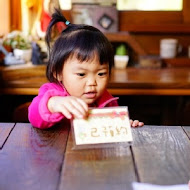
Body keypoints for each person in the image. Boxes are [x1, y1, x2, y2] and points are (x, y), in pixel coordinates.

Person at [28, 9, 144, 129]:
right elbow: (34, 116)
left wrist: (123, 125)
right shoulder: (52, 93)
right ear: (58, 72)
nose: (92, 83)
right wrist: (52, 104)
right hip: (59, 147)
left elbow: (110, 129)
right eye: (81, 74)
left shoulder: (108, 101)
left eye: (101, 73)